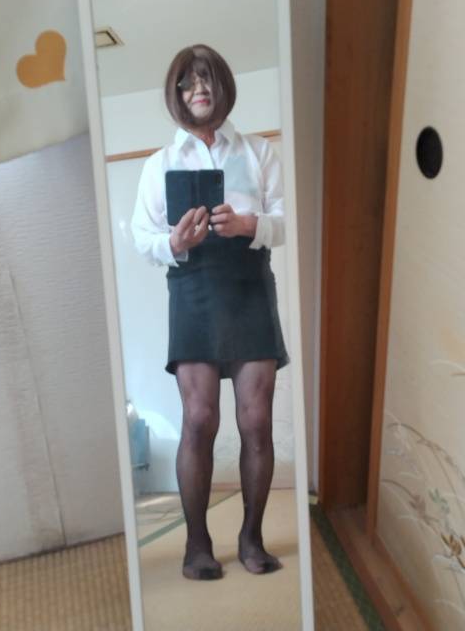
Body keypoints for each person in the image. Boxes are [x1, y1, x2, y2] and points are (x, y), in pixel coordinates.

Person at [131, 44, 289, 581]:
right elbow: (143, 237)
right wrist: (174, 242)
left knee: (256, 421)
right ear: (176, 94)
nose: (198, 89)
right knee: (199, 419)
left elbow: (284, 221)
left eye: (206, 78)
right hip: (193, 289)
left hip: (250, 288)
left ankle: (251, 536)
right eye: (187, 82)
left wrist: (249, 225)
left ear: (222, 86)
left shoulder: (259, 151)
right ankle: (197, 542)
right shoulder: (159, 163)